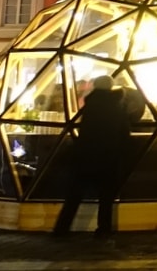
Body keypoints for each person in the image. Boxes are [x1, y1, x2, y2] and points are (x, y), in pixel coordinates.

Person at [52, 75, 132, 237]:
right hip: (108, 159)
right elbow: (125, 135)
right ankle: (103, 230)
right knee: (106, 199)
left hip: (85, 157)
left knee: (74, 196)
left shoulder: (90, 105)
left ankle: (61, 229)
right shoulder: (117, 107)